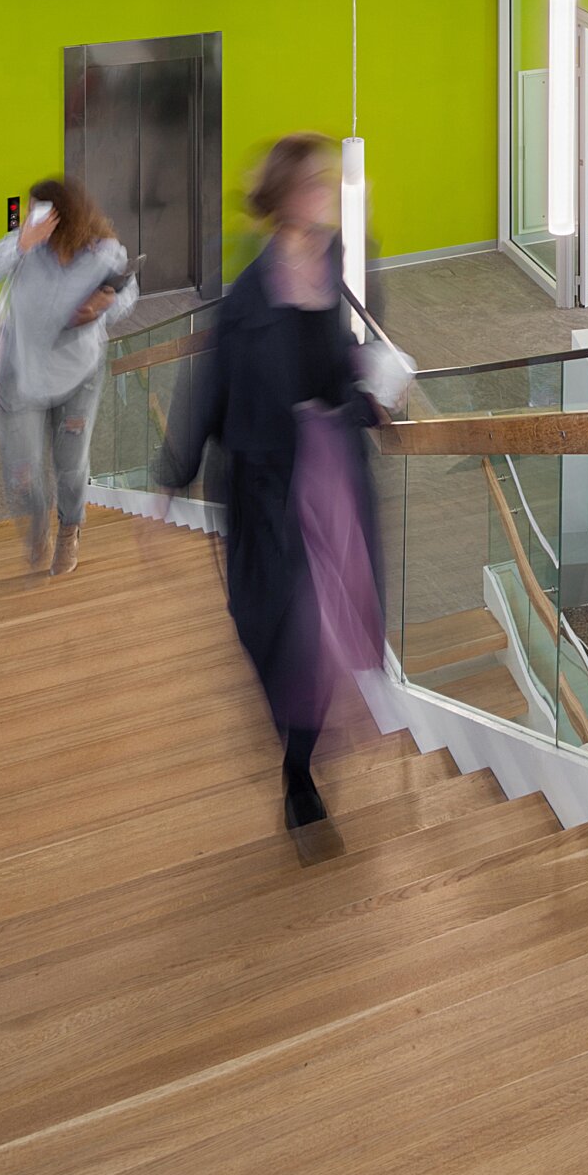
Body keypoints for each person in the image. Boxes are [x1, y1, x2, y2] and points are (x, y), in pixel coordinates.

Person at [155, 135, 385, 856]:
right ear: (284, 197)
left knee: (327, 622)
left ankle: (300, 769)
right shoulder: (248, 293)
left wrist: (375, 387)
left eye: (324, 179)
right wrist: (171, 477)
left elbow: (358, 353)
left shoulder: (348, 262)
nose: (323, 190)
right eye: (311, 181)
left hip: (334, 473)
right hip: (264, 485)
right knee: (273, 625)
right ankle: (292, 741)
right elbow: (212, 385)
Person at [0, 177, 136, 577]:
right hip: (22, 377)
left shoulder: (102, 252)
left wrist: (103, 306)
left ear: (66, 216)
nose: (31, 217)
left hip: (79, 377)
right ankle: (37, 523)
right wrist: (20, 244)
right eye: (30, 210)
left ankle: (70, 529)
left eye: (40, 210)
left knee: (71, 466)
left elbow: (127, 293)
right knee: (21, 472)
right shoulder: (23, 248)